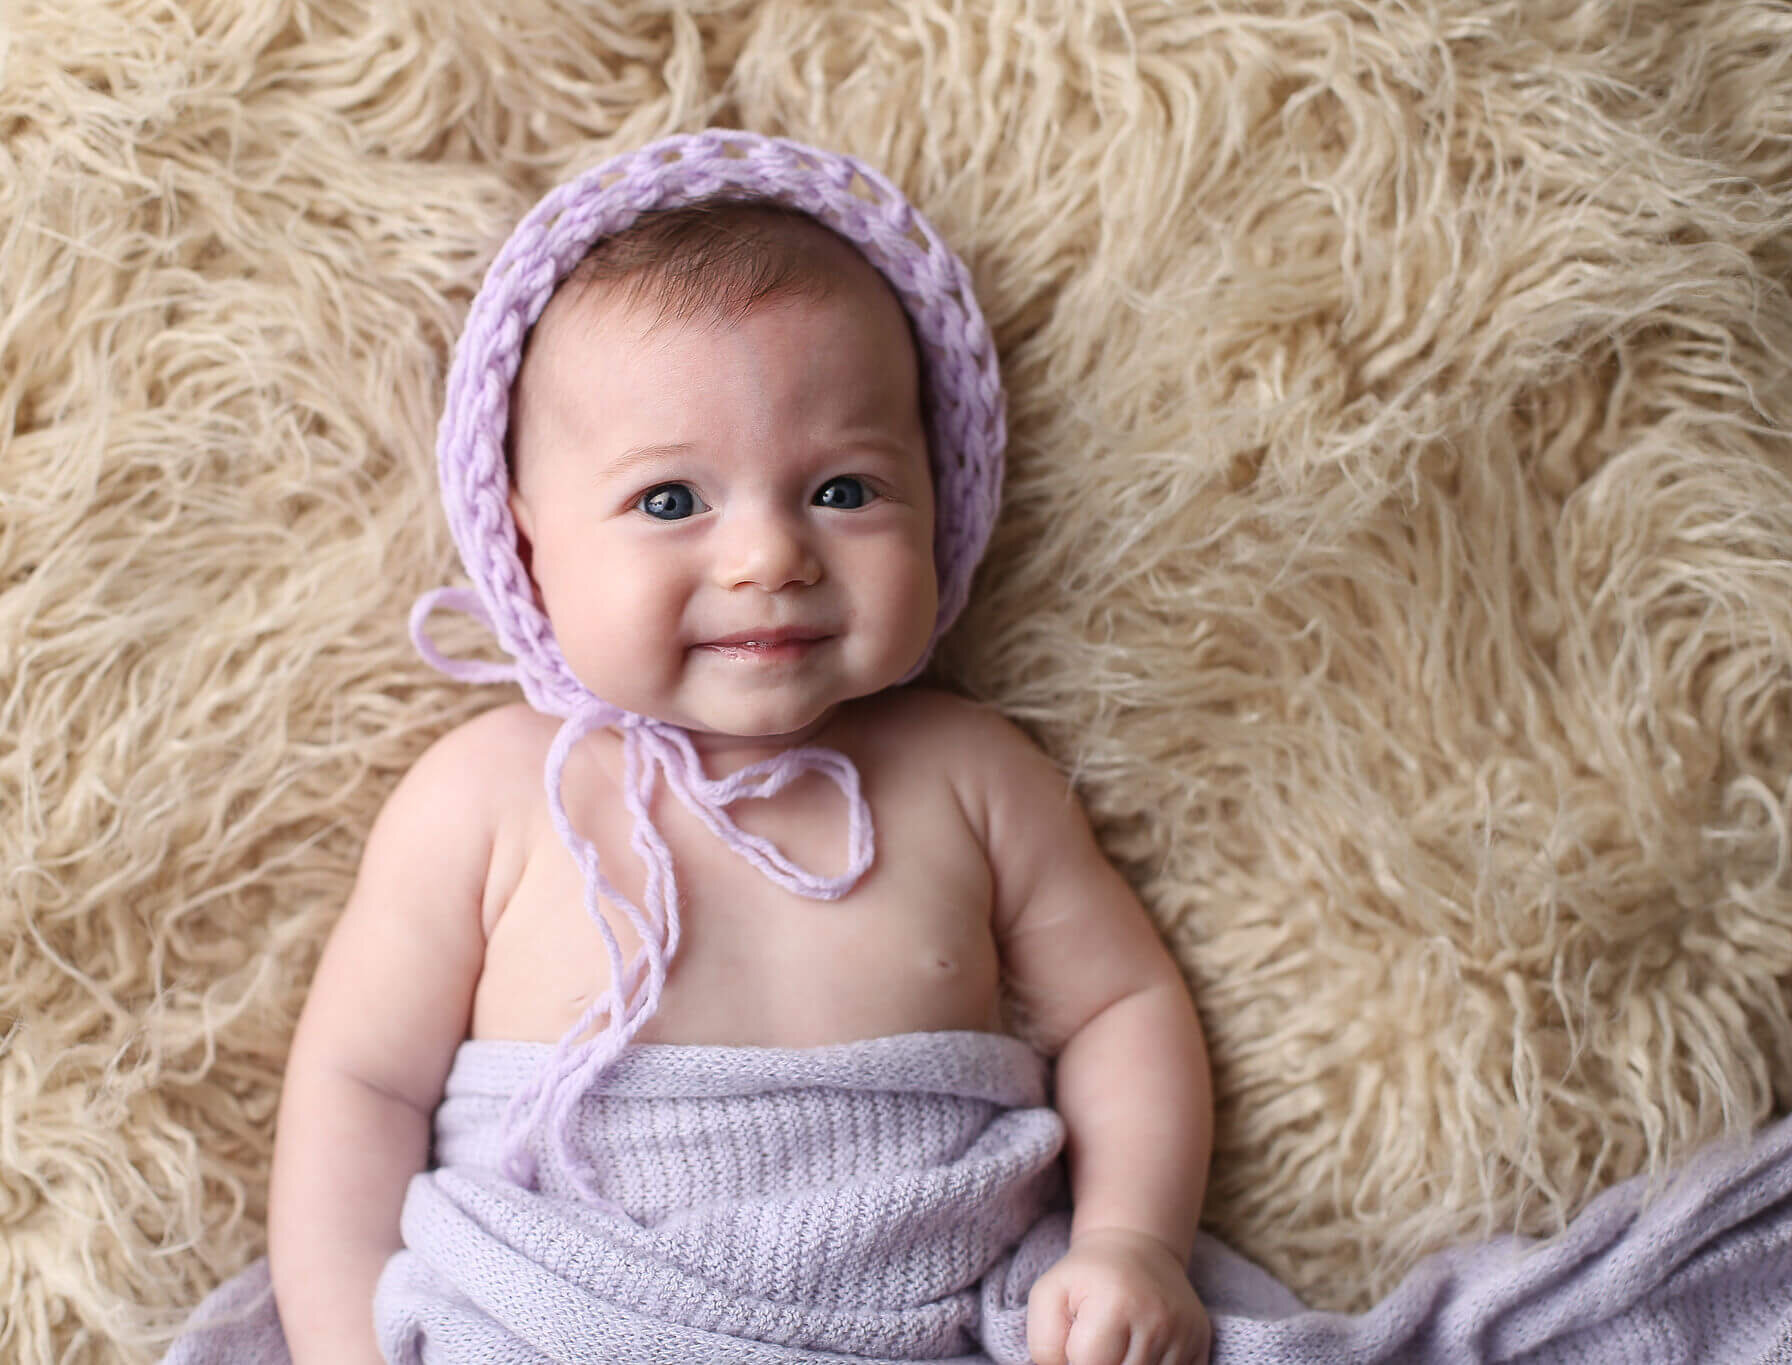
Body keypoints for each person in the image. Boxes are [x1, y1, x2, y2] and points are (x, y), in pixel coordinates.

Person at [264, 131, 1213, 1365]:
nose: (770, 557)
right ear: (528, 546)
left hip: (921, 1313)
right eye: (670, 501)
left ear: (944, 493)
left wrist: (1130, 1243)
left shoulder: (972, 775)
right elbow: (357, 1092)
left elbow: (1121, 1010)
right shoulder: (486, 796)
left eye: (844, 490)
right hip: (557, 1322)